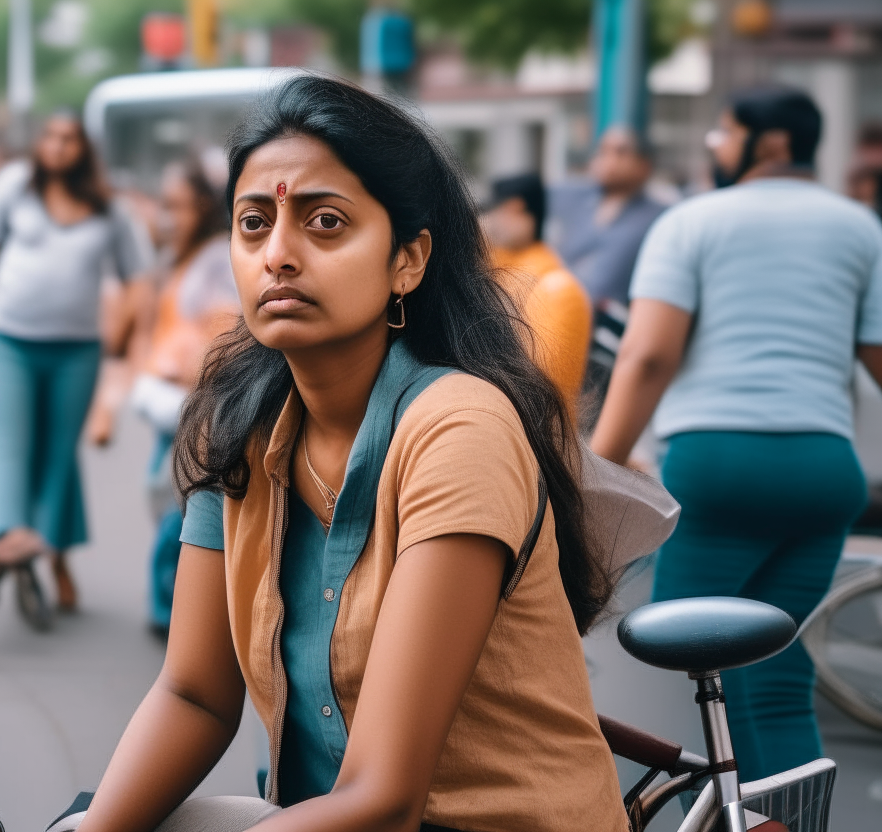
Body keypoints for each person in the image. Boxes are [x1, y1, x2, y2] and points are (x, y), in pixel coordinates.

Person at [51, 75, 624, 832]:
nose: (278, 255)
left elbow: (383, 800)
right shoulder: (234, 426)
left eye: (324, 223)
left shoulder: (458, 430)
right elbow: (193, 695)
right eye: (253, 224)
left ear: (407, 261)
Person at [590, 86, 882, 782]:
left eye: (723, 133)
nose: (714, 147)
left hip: (718, 466)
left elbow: (650, 355)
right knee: (774, 680)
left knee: (696, 669)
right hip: (824, 471)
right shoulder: (862, 227)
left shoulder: (692, 222)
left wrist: (596, 468)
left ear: (771, 143)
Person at [0, 112, 153, 620]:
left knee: (59, 456)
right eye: (52, 137)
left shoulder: (108, 208)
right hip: (9, 341)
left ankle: (9, 560)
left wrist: (119, 343)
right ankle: (21, 551)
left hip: (78, 349)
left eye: (71, 139)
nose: (60, 146)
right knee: (13, 449)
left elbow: (138, 280)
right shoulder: (13, 187)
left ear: (85, 148)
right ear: (39, 143)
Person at [129, 156, 237, 634]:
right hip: (169, 400)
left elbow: (224, 327)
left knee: (181, 504)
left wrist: (192, 378)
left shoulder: (217, 257)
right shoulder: (181, 256)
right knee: (166, 499)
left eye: (177, 206)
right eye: (164, 206)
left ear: (201, 205)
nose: (168, 217)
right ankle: (171, 606)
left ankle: (173, 610)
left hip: (195, 401)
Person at [484, 172, 591, 409]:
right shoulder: (499, 261)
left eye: (495, 211)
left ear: (516, 208)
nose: (490, 221)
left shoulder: (553, 285)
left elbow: (546, 387)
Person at [551, 126, 665, 307]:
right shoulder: (572, 198)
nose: (608, 160)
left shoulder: (659, 217)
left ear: (645, 165)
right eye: (602, 151)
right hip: (555, 309)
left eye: (620, 152)